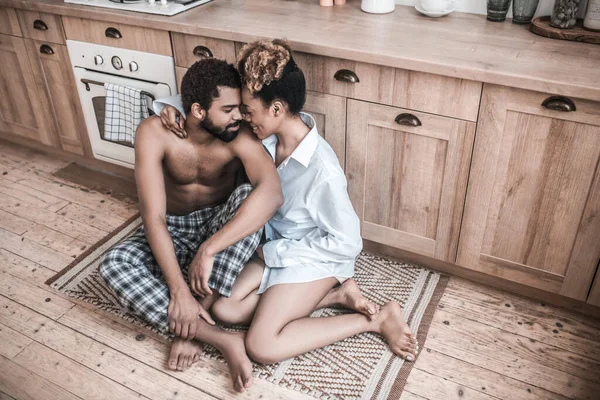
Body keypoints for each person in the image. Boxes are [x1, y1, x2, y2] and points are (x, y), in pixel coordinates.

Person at [158, 39, 419, 371]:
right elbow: (208, 107)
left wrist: (274, 254)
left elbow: (347, 244)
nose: (241, 117)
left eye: (248, 110)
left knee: (261, 344)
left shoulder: (321, 170)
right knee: (224, 309)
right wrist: (170, 109)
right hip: (272, 247)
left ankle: (377, 319)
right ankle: (337, 298)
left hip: (314, 258)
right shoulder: (262, 137)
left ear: (276, 109)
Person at [99, 58, 283, 394]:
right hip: (172, 226)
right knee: (114, 264)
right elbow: (152, 218)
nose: (239, 116)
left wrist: (209, 248)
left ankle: (198, 317)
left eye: (239, 108)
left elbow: (272, 193)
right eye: (228, 109)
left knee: (249, 198)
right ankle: (218, 337)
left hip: (217, 226)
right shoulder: (154, 133)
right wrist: (179, 291)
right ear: (198, 110)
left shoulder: (238, 135)